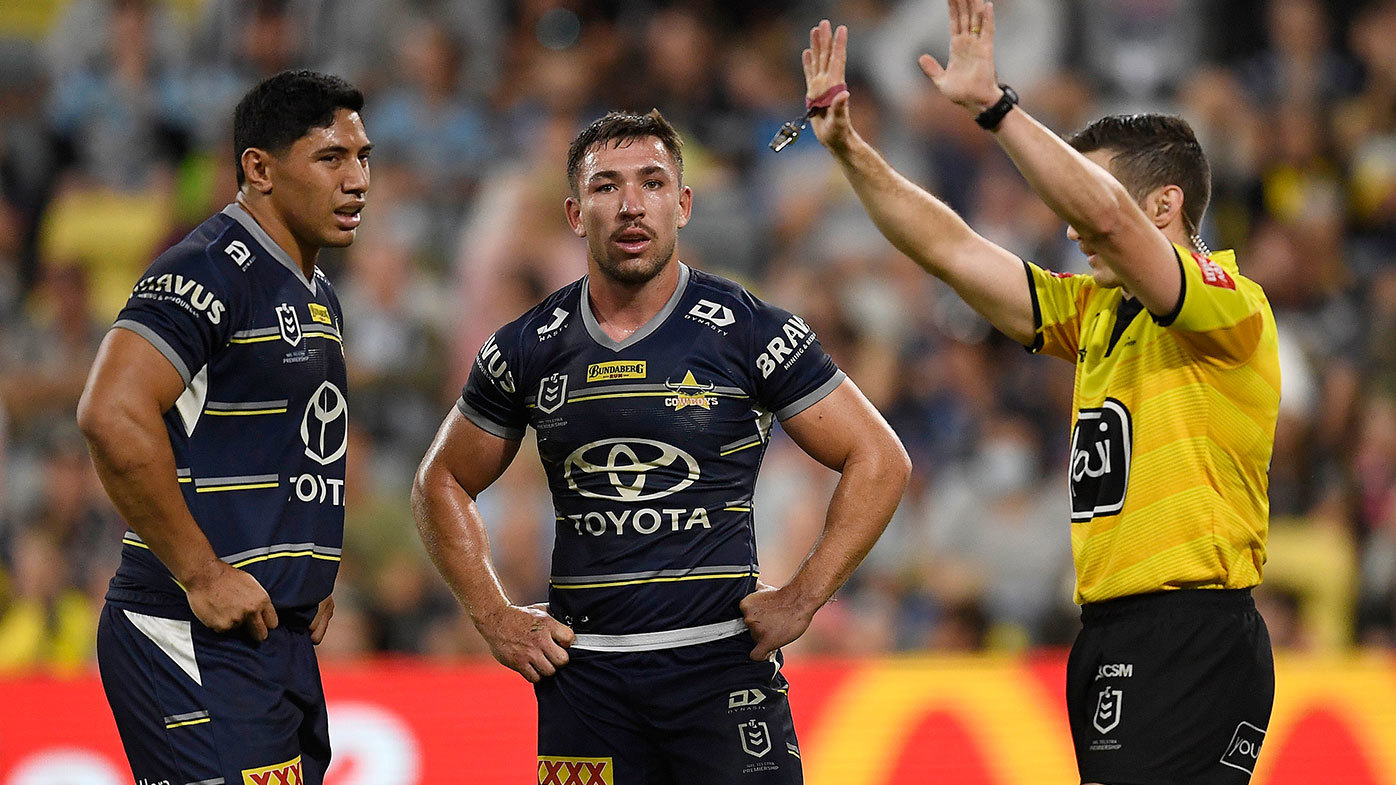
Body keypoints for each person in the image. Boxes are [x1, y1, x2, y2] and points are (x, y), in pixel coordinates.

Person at [801, 2, 1278, 783]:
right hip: (1109, 631)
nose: (1068, 224)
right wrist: (852, 151)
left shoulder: (1229, 303)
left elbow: (1110, 223)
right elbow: (952, 249)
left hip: (1191, 629)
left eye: (1087, 193)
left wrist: (995, 107)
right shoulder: (1093, 311)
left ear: (1165, 205)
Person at [412, 109, 910, 784]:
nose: (630, 205)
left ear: (683, 204)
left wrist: (804, 596)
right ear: (573, 212)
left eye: (651, 183)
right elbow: (439, 482)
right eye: (606, 186)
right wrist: (493, 614)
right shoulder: (526, 345)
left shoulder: (748, 330)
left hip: (722, 675)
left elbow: (879, 458)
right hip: (584, 686)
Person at [76, 69, 370, 785]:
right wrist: (202, 572)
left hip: (272, 637)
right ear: (259, 169)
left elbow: (294, 441)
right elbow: (110, 412)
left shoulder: (315, 287)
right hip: (190, 631)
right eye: (330, 158)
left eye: (363, 156)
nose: (357, 178)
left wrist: (305, 569)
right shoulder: (209, 269)